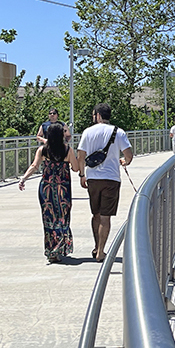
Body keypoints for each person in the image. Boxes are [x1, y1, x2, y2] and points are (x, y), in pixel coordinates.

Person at [76, 103, 133, 262]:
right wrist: (125, 162)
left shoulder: (88, 132)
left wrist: (82, 174)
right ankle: (101, 251)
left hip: (93, 178)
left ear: (98, 115)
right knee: (106, 216)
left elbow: (81, 155)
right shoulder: (118, 132)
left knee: (96, 214)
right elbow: (128, 154)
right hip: (111, 178)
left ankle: (96, 246)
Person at [18, 123, 77, 263]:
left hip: (47, 189)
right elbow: (75, 168)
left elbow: (34, 166)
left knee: (48, 219)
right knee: (63, 217)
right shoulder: (68, 150)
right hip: (63, 189)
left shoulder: (43, 150)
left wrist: (23, 179)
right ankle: (61, 246)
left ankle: (51, 250)